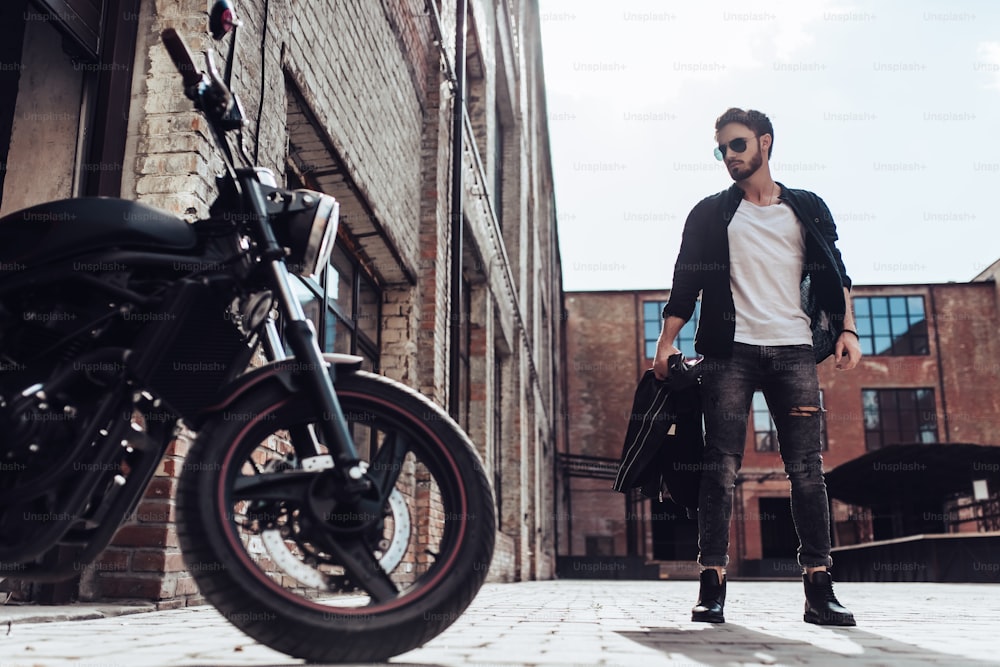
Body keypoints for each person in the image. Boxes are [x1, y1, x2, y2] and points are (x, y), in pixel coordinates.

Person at [652, 108, 860, 626]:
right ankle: (712, 583)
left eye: (738, 145)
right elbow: (686, 281)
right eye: (721, 150)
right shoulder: (709, 213)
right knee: (719, 468)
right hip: (729, 353)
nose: (729, 157)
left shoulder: (807, 208)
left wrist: (847, 330)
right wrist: (665, 343)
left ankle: (819, 586)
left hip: (794, 351)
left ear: (766, 142)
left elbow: (837, 273)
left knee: (807, 471)